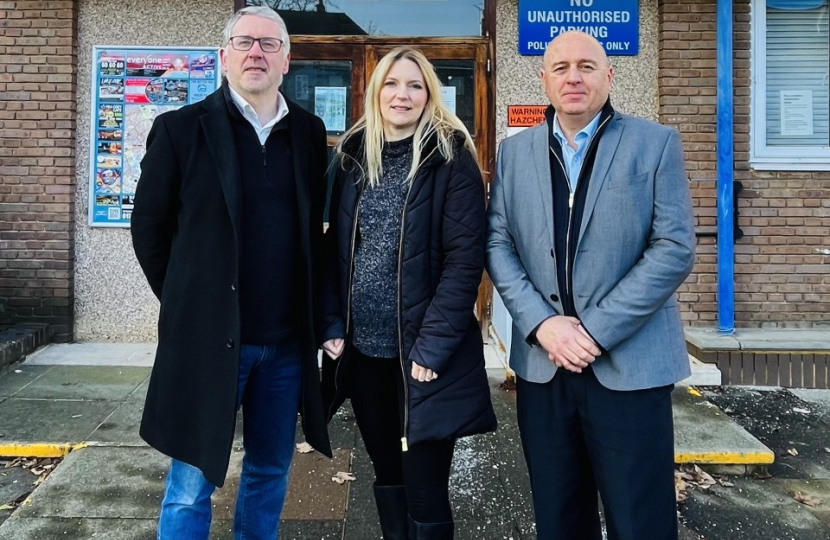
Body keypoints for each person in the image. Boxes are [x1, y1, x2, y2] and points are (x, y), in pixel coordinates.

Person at [130, 7, 332, 540]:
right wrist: (187, 301)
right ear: (224, 56)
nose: (255, 53)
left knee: (270, 470)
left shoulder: (309, 134)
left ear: (287, 59)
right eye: (243, 42)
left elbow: (316, 234)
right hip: (208, 341)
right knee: (191, 483)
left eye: (269, 44)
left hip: (286, 346)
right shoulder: (179, 130)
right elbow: (149, 230)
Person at [486, 31, 695, 540]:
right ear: (544, 79)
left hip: (630, 365)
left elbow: (674, 249)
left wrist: (595, 330)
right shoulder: (515, 153)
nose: (573, 77)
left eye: (586, 65)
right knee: (558, 519)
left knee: (640, 520)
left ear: (609, 75)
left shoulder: (655, 143)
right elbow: (497, 243)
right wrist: (542, 325)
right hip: (545, 367)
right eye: (560, 67)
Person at [320, 46, 497, 540]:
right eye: (393, 84)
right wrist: (332, 323)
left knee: (425, 487)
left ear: (429, 95)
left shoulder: (450, 158)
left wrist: (435, 345)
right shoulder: (354, 155)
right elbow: (333, 247)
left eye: (415, 85)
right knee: (387, 474)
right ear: (376, 92)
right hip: (365, 354)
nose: (403, 94)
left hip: (423, 356)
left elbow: (466, 260)